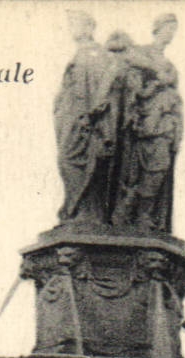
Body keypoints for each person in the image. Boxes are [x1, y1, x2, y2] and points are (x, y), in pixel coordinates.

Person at [113, 13, 182, 230]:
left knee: (159, 169)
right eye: (168, 28)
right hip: (145, 125)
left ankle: (143, 214)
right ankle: (133, 214)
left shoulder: (170, 65)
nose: (171, 34)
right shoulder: (143, 53)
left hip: (165, 124)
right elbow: (126, 62)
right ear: (157, 29)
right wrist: (154, 74)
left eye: (174, 29)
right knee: (142, 170)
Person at [54, 10, 123, 223]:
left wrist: (93, 111)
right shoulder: (80, 54)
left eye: (77, 23)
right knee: (67, 160)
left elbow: (105, 85)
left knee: (76, 160)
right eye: (71, 24)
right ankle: (77, 208)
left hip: (85, 120)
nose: (72, 28)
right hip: (70, 117)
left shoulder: (97, 54)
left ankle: (86, 211)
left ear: (89, 28)